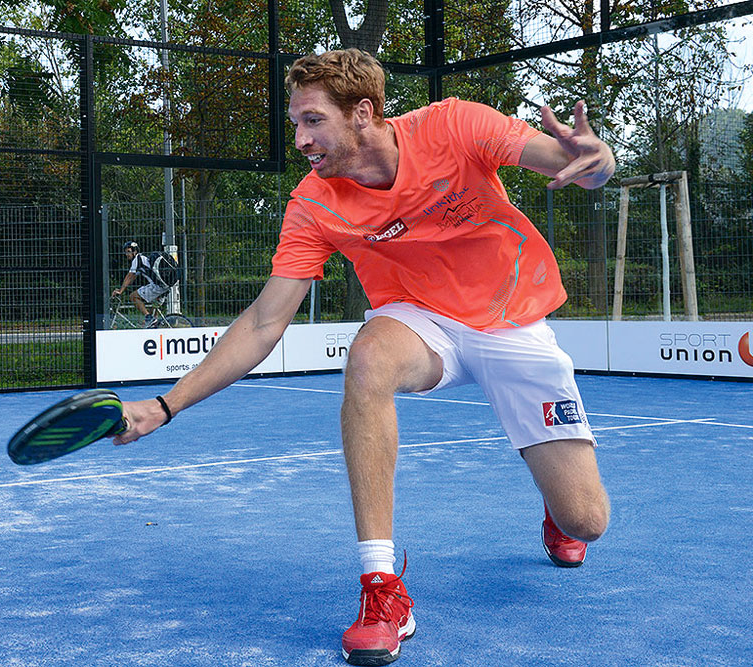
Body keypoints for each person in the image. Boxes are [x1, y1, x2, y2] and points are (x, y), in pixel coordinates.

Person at [113, 49, 613, 665]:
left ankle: (557, 511)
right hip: (418, 319)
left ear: (364, 114)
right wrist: (165, 406)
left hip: (512, 316)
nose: (299, 138)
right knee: (368, 357)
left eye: (312, 120)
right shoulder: (313, 204)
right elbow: (265, 323)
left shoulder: (456, 126)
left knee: (588, 520)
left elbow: (575, 164)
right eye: (296, 123)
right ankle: (382, 587)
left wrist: (598, 162)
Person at [112, 241, 169, 327]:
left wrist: (120, 291)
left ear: (135, 252)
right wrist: (124, 286)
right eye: (125, 252)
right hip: (165, 285)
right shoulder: (143, 259)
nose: (126, 254)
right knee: (152, 314)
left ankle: (149, 318)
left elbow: (129, 276)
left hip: (158, 286)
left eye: (128, 251)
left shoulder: (137, 259)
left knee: (133, 296)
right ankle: (154, 325)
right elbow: (133, 277)